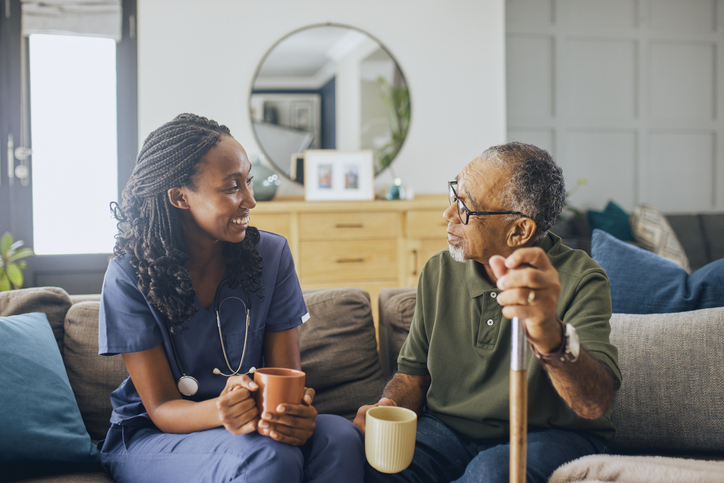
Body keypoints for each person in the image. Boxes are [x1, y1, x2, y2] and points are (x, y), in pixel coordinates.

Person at [98, 113, 364, 483]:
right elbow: (160, 407)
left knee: (340, 438)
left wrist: (293, 414)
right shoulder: (129, 274)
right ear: (180, 197)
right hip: (155, 435)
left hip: (251, 426)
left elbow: (286, 377)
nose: (250, 200)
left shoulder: (271, 256)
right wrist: (221, 411)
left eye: (249, 182)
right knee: (268, 458)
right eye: (231, 187)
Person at [355, 142, 621, 483]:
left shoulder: (580, 279)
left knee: (490, 474)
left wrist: (549, 334)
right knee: (378, 466)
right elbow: (412, 376)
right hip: (447, 432)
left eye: (466, 207)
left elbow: (593, 404)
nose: (448, 214)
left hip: (549, 436)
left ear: (519, 230)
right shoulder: (439, 270)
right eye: (454, 194)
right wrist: (389, 405)